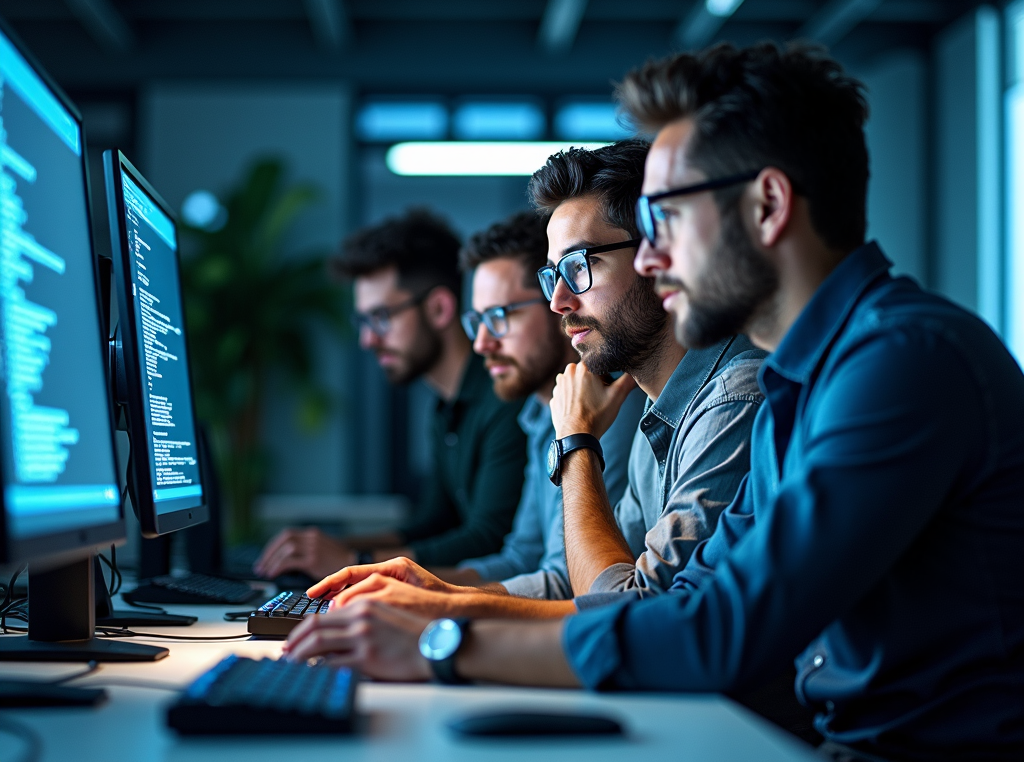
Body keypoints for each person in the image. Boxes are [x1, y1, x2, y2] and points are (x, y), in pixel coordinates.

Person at [284, 43, 1024, 761]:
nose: (649, 256)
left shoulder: (900, 363)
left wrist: (446, 641)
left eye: (665, 217)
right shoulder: (799, 382)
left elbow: (719, 632)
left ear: (767, 206)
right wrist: (444, 611)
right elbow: (676, 609)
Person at [296, 140, 765, 620]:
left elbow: (628, 614)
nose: (558, 300)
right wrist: (437, 595)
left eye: (582, 266)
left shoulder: (732, 400)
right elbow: (570, 579)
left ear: (657, 259)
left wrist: (576, 443)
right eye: (553, 275)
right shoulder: (656, 410)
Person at [254, 209, 528, 580]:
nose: (368, 339)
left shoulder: (505, 396)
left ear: (439, 308)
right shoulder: (445, 407)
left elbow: (487, 538)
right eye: (364, 321)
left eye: (381, 317)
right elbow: (433, 522)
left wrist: (356, 559)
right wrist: (326, 549)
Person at [435, 210, 644, 598]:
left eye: (500, 316)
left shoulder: (612, 406)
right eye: (477, 321)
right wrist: (421, 585)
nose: (482, 344)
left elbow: (573, 584)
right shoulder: (539, 414)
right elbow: (521, 558)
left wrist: (437, 601)